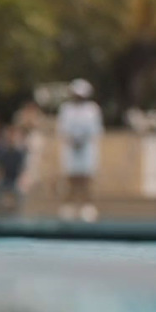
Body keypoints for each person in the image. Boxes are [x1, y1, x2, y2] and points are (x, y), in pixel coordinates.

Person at [55, 79, 102, 222]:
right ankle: (68, 207)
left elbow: (95, 131)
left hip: (86, 149)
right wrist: (72, 141)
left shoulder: (92, 109)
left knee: (86, 179)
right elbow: (63, 130)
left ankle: (87, 207)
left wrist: (82, 140)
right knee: (71, 178)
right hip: (71, 149)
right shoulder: (66, 109)